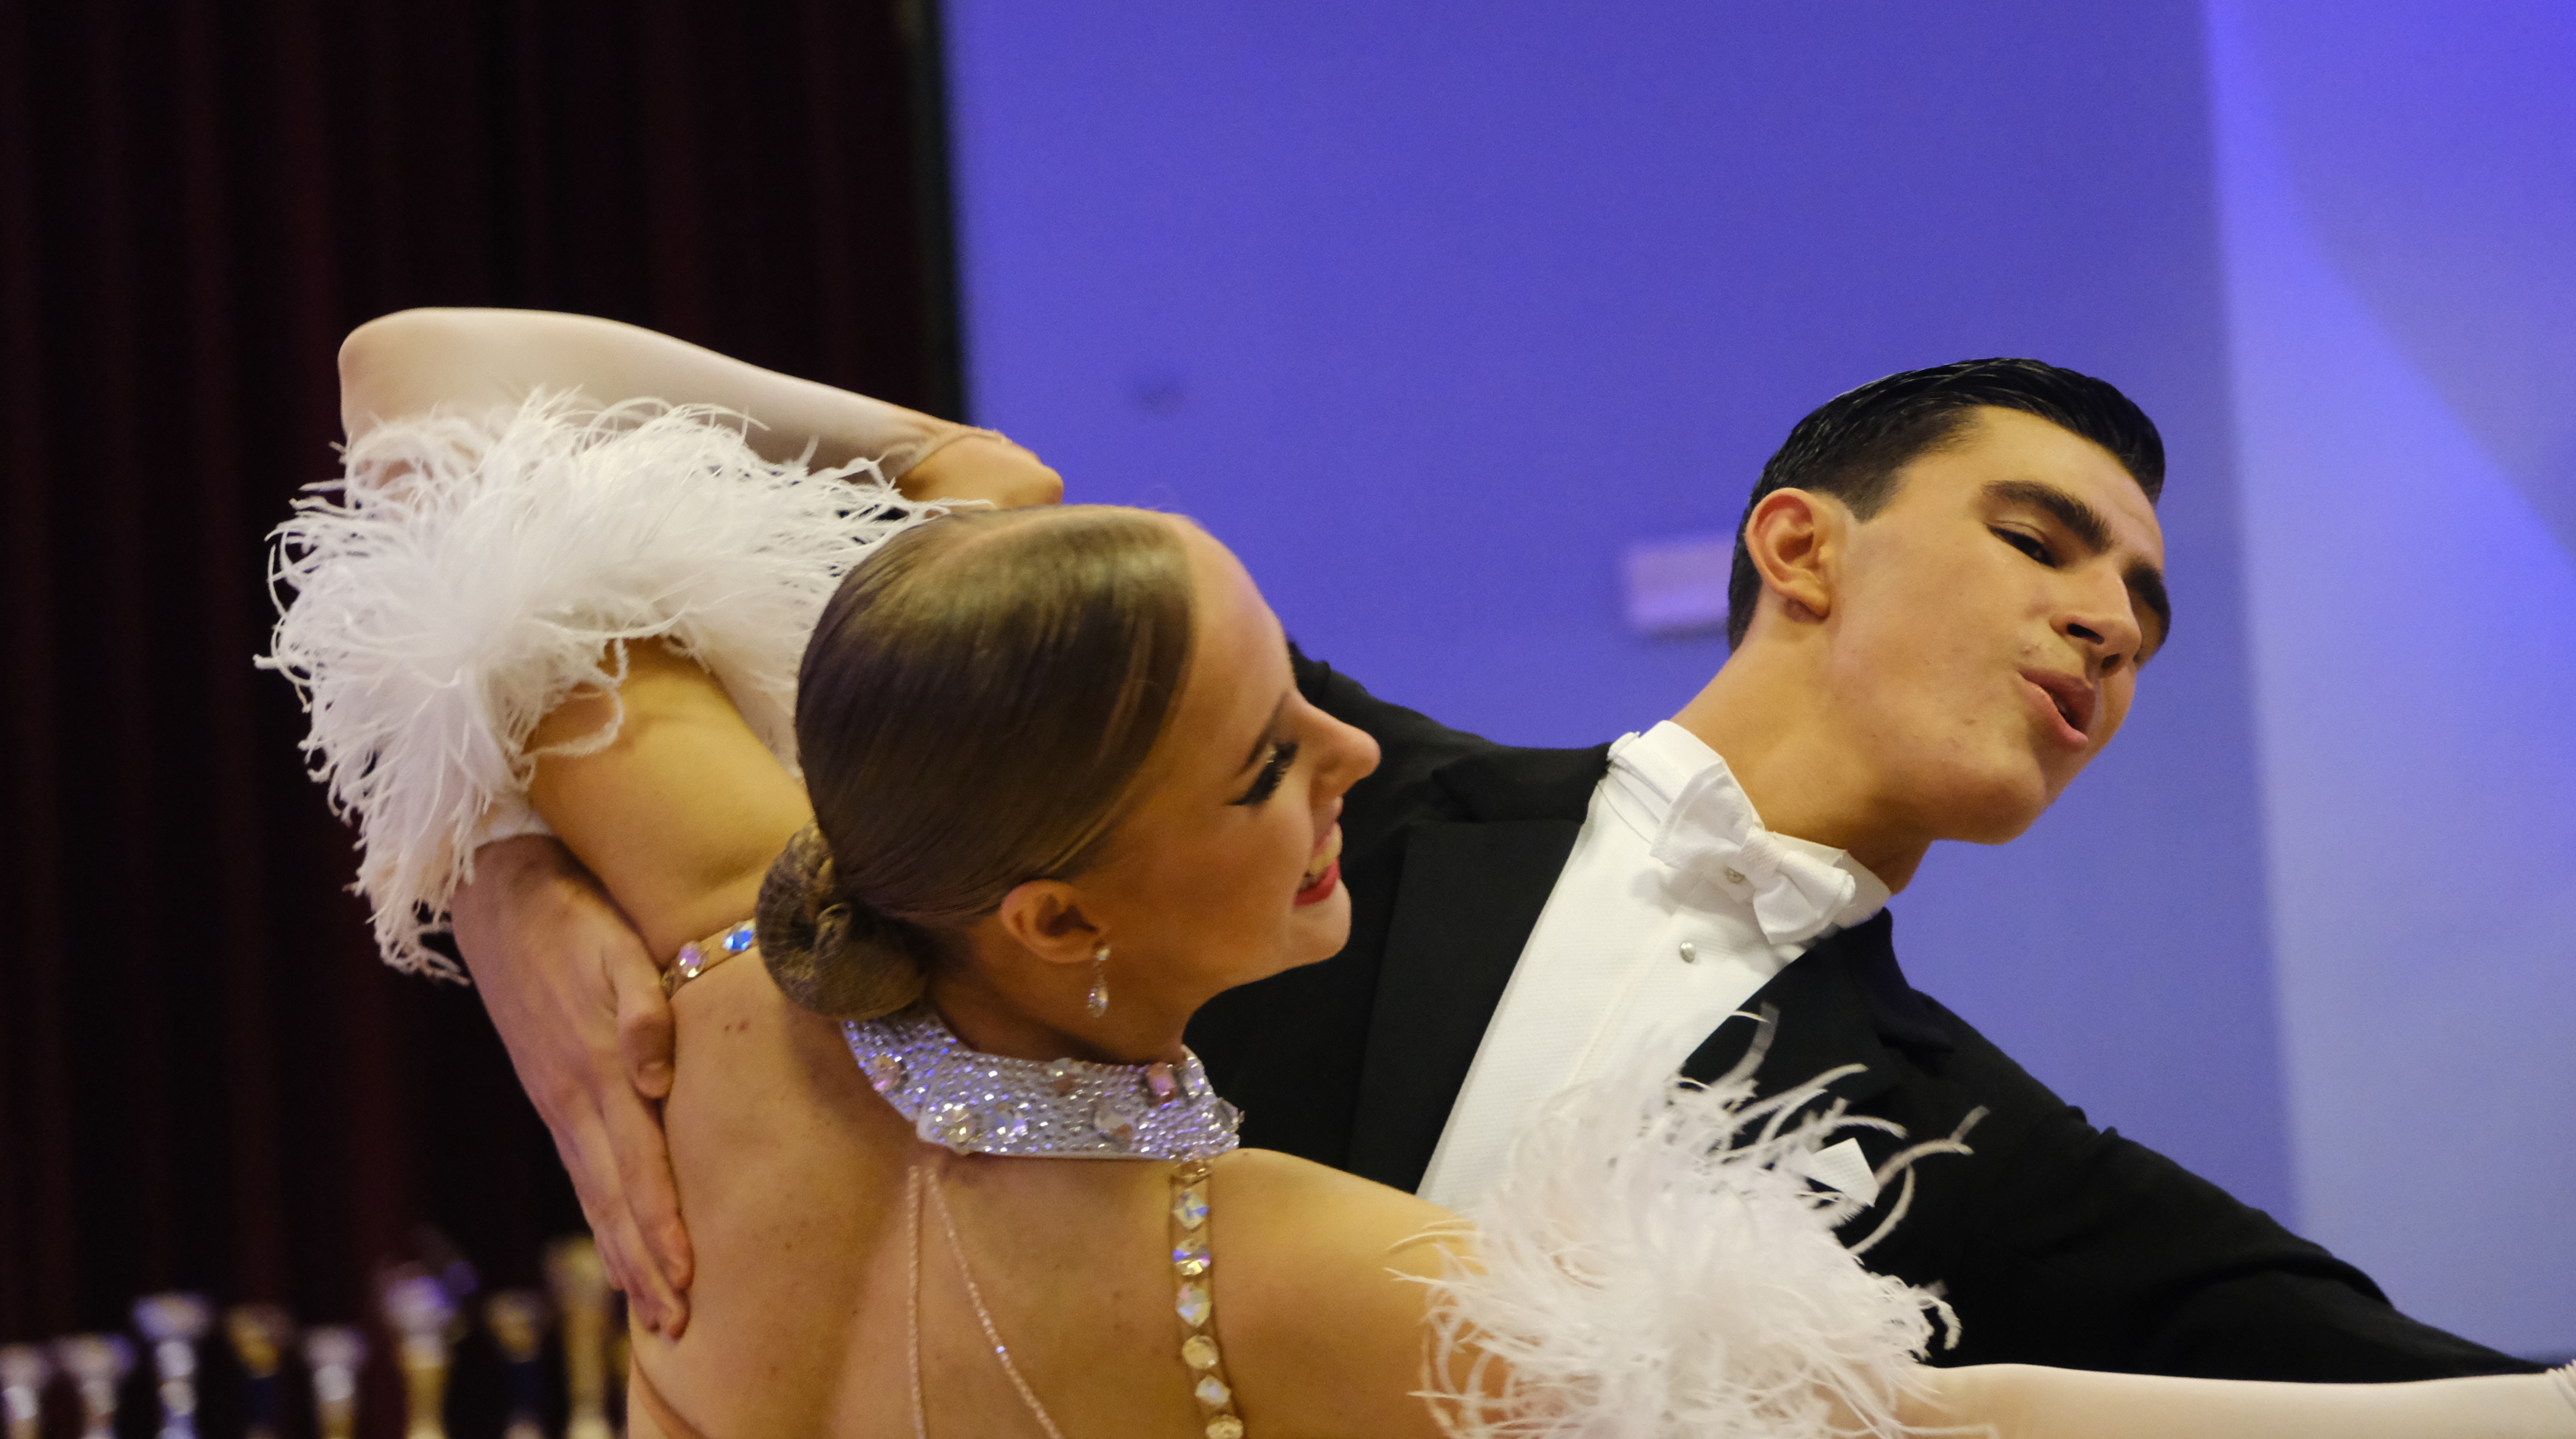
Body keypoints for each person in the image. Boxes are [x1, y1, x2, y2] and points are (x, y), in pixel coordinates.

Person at [273, 310, 2576, 1437]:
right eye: (2047, 539)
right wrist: (491, 870)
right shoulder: (1207, 784)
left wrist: (500, 822)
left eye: (2151, 611)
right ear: (1798, 548)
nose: (2112, 624)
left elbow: (2407, 1400)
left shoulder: (2003, 1159)